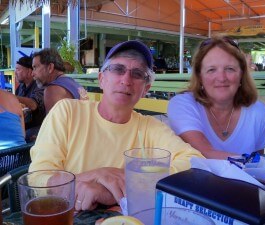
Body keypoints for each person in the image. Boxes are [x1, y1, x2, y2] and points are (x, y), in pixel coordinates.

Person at [29, 40, 204, 211]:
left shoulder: (150, 127)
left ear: (146, 88)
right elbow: (38, 178)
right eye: (118, 69)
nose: (126, 80)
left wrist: (128, 183)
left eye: (137, 74)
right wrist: (97, 175)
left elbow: (196, 164)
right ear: (101, 79)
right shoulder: (67, 111)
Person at [167, 36, 265, 159]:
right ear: (200, 77)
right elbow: (205, 153)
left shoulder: (258, 111)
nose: (221, 78)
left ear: (241, 75)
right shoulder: (182, 104)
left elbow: (259, 163)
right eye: (211, 70)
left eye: (230, 69)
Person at [31, 48, 88, 114]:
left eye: (35, 67)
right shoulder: (72, 83)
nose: (32, 74)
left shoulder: (52, 90)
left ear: (50, 67)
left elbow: (52, 124)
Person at [15, 56, 46, 142]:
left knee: (25, 135)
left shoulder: (39, 85)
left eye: (18, 69)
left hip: (38, 127)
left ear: (29, 71)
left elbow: (33, 104)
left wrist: (10, 97)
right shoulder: (21, 87)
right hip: (23, 124)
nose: (15, 72)